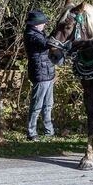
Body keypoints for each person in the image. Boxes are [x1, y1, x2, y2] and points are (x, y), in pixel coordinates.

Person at [25, 9, 63, 141]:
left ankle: (49, 130)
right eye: (43, 23)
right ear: (37, 24)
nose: (44, 25)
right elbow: (45, 43)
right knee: (37, 104)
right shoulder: (31, 35)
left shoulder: (39, 33)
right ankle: (31, 131)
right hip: (40, 73)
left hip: (47, 72)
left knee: (48, 104)